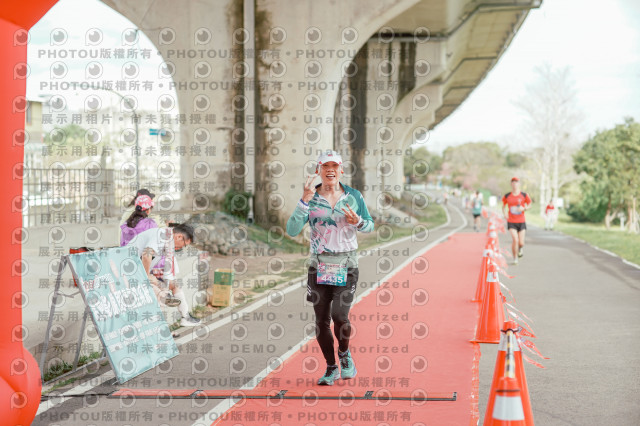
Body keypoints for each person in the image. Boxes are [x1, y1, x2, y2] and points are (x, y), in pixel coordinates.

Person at [286, 150, 374, 386]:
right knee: (321, 322)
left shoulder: (354, 196)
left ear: (341, 170)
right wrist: (303, 202)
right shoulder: (311, 197)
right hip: (319, 266)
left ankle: (344, 354)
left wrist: (359, 222)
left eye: (334, 166)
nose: (330, 170)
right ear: (319, 170)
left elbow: (370, 225)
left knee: (339, 316)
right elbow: (292, 230)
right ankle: (331, 367)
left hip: (347, 265)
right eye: (325, 166)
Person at [127, 224, 201, 327]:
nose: (182, 247)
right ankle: (160, 329)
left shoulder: (167, 240)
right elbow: (146, 255)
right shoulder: (161, 235)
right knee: (161, 293)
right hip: (126, 272)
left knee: (173, 286)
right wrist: (147, 276)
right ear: (179, 237)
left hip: (135, 271)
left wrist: (167, 283)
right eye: (184, 245)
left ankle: (185, 317)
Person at [502, 177, 531, 265]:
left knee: (521, 242)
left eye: (516, 182)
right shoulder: (507, 196)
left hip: (521, 221)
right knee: (515, 239)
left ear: (519, 184)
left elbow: (529, 204)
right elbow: (503, 206)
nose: (515, 184)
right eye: (513, 183)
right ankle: (515, 258)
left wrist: (524, 208)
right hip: (511, 221)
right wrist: (505, 214)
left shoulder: (524, 195)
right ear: (511, 184)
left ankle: (520, 248)